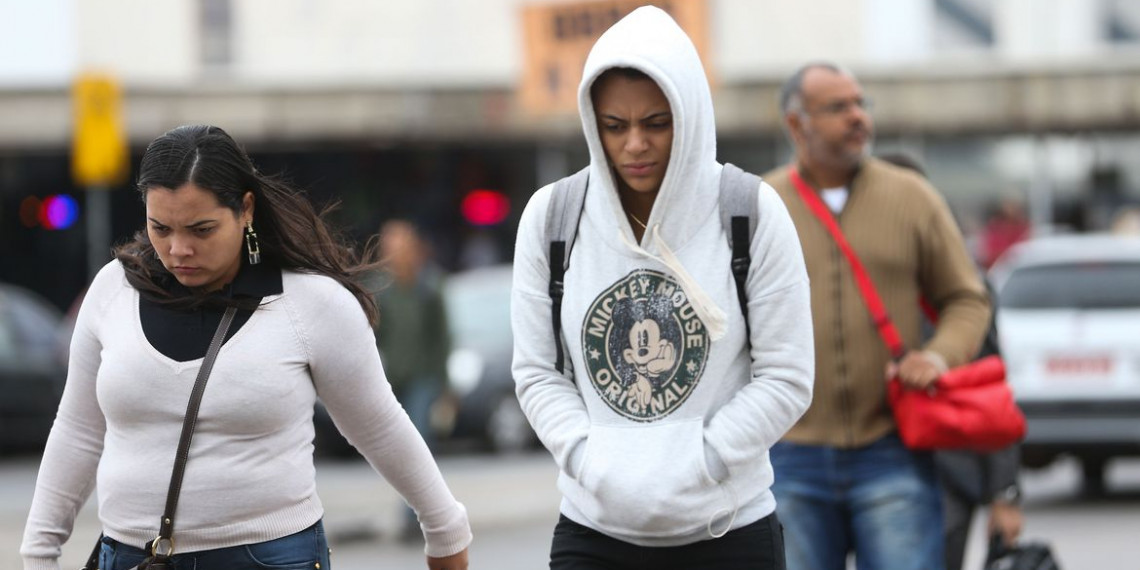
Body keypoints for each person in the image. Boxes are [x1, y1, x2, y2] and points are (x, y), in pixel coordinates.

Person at [20, 125, 471, 570]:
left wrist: (444, 528)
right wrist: (39, 553)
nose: (178, 249)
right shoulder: (112, 290)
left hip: (269, 557)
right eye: (161, 227)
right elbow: (78, 431)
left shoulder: (310, 303)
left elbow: (378, 425)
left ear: (246, 210)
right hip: (132, 557)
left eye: (201, 229)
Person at [510, 7, 814, 569]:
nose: (634, 145)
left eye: (656, 122)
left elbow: (788, 375)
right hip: (593, 532)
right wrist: (589, 458)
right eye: (614, 125)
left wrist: (706, 460)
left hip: (728, 531)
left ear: (690, 113)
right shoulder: (553, 218)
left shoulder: (748, 212)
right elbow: (535, 371)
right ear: (591, 122)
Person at [763, 63, 992, 570]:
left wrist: (937, 356)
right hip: (787, 455)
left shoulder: (912, 196)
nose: (858, 117)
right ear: (797, 125)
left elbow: (967, 298)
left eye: (861, 103)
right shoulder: (760, 205)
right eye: (838, 107)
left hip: (892, 450)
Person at [878, 151, 1023, 570]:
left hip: (946, 478)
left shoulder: (965, 286)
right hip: (853, 468)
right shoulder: (833, 278)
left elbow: (993, 391)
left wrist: (1005, 496)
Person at [367, 219, 452, 542]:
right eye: (389, 247)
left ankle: (415, 517)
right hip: (392, 379)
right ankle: (418, 511)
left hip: (424, 378)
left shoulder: (429, 286)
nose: (395, 253)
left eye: (400, 246)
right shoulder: (381, 289)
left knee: (417, 443)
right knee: (395, 449)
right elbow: (373, 337)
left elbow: (443, 339)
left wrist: (445, 387)